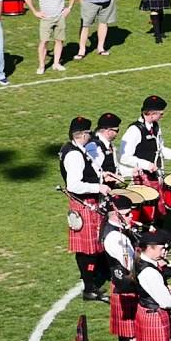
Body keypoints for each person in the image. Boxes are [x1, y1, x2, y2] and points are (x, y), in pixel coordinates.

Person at [60, 116, 111, 301]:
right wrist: (99, 187)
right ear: (82, 135)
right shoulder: (74, 154)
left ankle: (90, 282)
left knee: (90, 247)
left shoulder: (75, 149)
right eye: (89, 132)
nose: (91, 135)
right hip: (85, 203)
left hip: (86, 203)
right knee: (88, 249)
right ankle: (89, 287)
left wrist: (102, 175)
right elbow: (73, 185)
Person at [118, 95, 171, 218]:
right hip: (143, 176)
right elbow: (124, 157)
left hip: (156, 175)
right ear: (151, 114)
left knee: (159, 211)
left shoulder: (155, 127)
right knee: (147, 212)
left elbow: (159, 149)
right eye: (161, 114)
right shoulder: (134, 130)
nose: (162, 116)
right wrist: (146, 165)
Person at [101, 193, 142, 341]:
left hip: (127, 284)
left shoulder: (119, 230)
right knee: (129, 333)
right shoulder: (115, 238)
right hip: (126, 286)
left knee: (131, 332)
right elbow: (130, 264)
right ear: (116, 215)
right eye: (127, 213)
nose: (131, 216)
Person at [24, 0, 73, 74]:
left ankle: (56, 63)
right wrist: (35, 12)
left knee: (59, 40)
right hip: (46, 19)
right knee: (44, 41)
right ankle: (41, 66)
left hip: (60, 17)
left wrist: (69, 8)